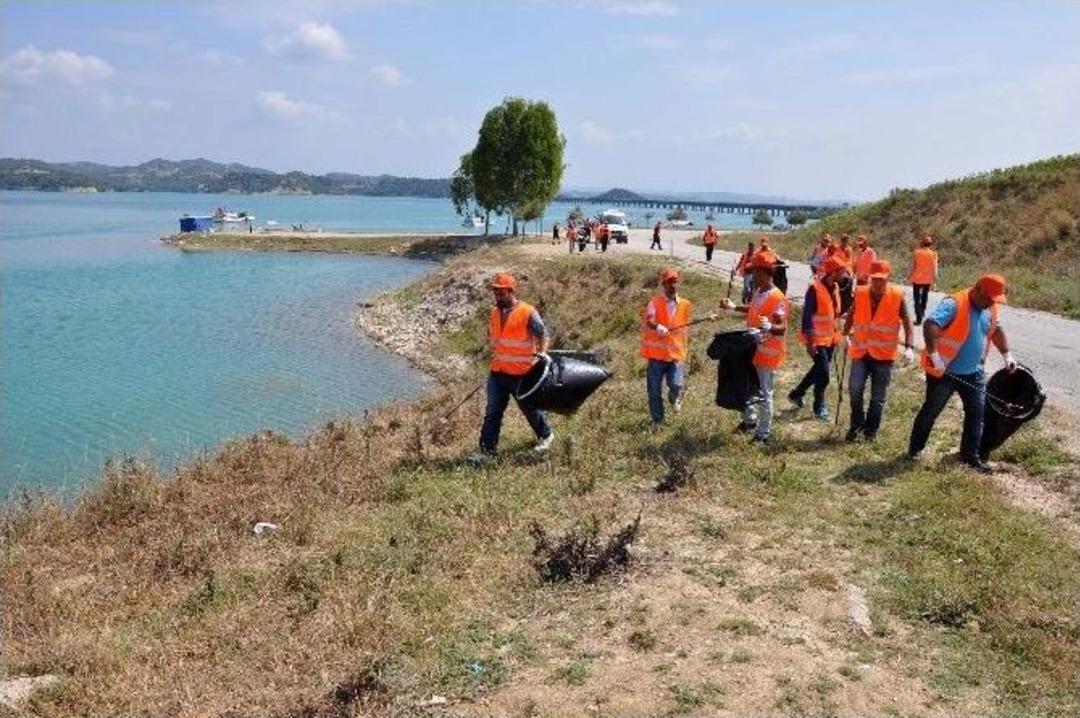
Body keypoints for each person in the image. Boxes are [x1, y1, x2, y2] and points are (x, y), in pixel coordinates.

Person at [908, 274, 1017, 473]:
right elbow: (930, 324)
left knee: (977, 414)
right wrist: (934, 355)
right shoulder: (955, 303)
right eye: (990, 298)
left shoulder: (989, 307)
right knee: (931, 411)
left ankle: (970, 456)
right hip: (945, 373)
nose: (992, 303)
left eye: (995, 300)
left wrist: (1007, 354)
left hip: (974, 373)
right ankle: (915, 450)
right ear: (979, 290)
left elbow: (996, 329)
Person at [472, 273, 554, 461]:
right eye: (495, 293)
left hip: (521, 374)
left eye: (501, 293)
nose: (498, 297)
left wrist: (542, 354)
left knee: (530, 409)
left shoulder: (527, 312)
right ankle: (486, 452)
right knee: (492, 412)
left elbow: (543, 334)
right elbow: (495, 339)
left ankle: (546, 435)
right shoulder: (494, 312)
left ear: (511, 291)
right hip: (498, 373)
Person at [841, 260, 914, 442]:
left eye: (882, 280)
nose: (879, 283)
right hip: (861, 352)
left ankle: (870, 432)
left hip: (884, 356)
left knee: (877, 397)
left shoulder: (897, 295)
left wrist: (909, 347)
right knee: (854, 389)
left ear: (888, 279)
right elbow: (851, 313)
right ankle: (857, 423)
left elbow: (907, 320)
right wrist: (845, 335)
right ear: (870, 278)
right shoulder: (861, 292)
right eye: (875, 279)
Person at [720, 251, 788, 443]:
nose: (751, 276)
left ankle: (763, 433)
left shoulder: (778, 298)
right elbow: (752, 309)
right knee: (747, 388)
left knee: (764, 393)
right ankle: (750, 421)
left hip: (766, 354)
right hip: (751, 350)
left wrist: (770, 327)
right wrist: (733, 307)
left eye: (754, 272)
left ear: (764, 272)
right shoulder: (759, 292)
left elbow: (781, 328)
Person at [789, 256, 846, 420]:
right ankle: (819, 406)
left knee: (818, 370)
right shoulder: (814, 288)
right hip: (816, 339)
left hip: (830, 338)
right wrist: (810, 343)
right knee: (824, 374)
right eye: (842, 272)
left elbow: (834, 313)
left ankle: (797, 393)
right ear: (833, 272)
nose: (845, 275)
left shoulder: (835, 287)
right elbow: (807, 317)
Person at [641, 268, 692, 424]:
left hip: (676, 354)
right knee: (654, 391)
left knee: (676, 385)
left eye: (675, 281)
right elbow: (649, 320)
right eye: (669, 282)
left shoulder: (685, 304)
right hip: (657, 356)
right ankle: (658, 420)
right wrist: (657, 327)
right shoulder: (654, 303)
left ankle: (674, 398)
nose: (672, 285)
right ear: (663, 284)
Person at [909, 234, 938, 325]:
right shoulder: (933, 254)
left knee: (916, 298)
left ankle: (918, 317)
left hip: (917, 279)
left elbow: (913, 266)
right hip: (927, 280)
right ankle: (922, 312)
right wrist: (935, 280)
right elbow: (935, 268)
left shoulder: (916, 252)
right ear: (930, 244)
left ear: (922, 243)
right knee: (925, 297)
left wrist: (909, 276)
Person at [833, 233, 855, 314]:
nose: (845, 241)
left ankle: (846, 308)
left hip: (847, 274)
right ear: (841, 240)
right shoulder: (837, 248)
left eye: (846, 240)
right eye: (843, 239)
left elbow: (850, 261)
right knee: (838, 291)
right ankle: (839, 308)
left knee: (847, 292)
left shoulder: (849, 249)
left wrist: (851, 272)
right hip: (839, 273)